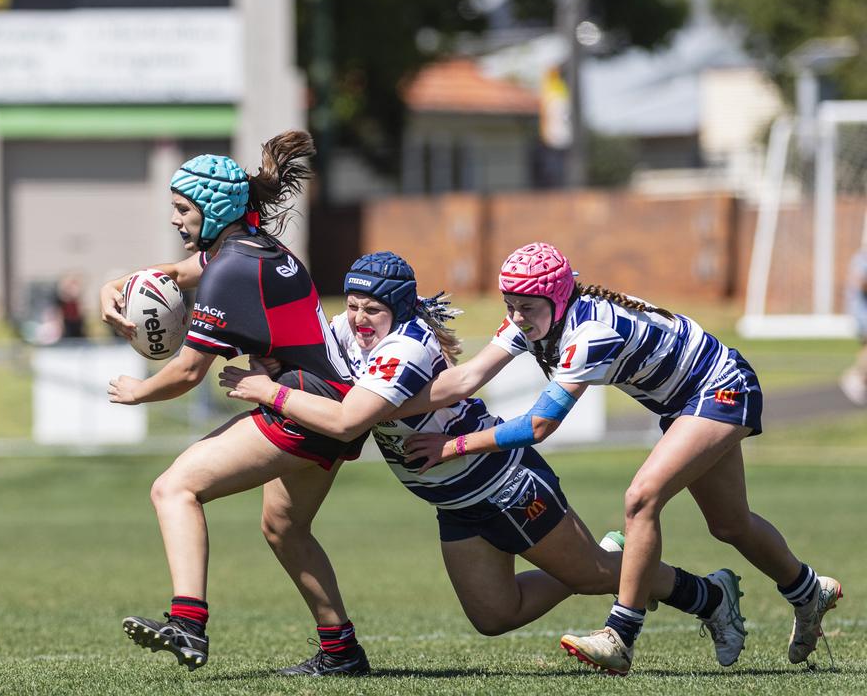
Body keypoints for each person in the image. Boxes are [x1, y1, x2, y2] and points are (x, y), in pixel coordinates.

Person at [220, 251, 745, 673]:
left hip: (502, 484)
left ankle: (706, 594)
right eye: (353, 305)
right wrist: (265, 353)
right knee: (495, 616)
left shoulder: (405, 348)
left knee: (592, 575)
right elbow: (311, 350)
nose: (358, 318)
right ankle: (607, 558)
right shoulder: (348, 332)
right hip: (452, 500)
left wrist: (267, 390)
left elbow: (345, 420)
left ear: (398, 311)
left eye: (371, 309)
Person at [400, 242, 842, 676]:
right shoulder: (535, 318)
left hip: (722, 387)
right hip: (684, 403)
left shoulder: (591, 334)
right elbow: (468, 377)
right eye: (510, 305)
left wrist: (455, 445)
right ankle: (807, 590)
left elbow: (539, 425)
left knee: (642, 498)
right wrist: (377, 406)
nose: (517, 318)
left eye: (527, 308)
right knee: (729, 524)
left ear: (556, 298)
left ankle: (620, 636)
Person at [100, 131, 371, 676]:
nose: (175, 220)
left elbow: (187, 372)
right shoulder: (248, 249)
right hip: (330, 406)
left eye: (182, 209)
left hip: (303, 408)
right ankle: (342, 652)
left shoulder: (233, 267)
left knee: (174, 488)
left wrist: (138, 391)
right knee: (284, 529)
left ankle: (187, 623)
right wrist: (114, 285)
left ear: (213, 206)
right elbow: (175, 273)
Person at [840, 244, 867, 405]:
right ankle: (855, 377)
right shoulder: (862, 259)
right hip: (863, 314)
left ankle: (859, 378)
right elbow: (859, 282)